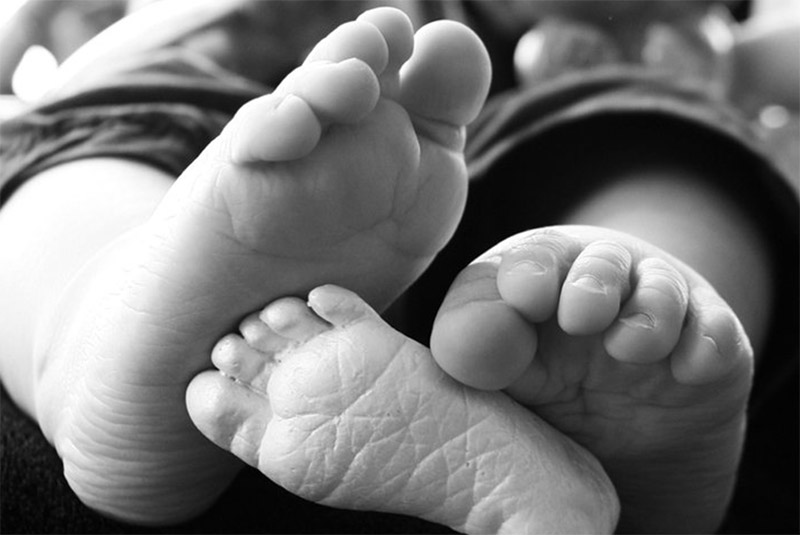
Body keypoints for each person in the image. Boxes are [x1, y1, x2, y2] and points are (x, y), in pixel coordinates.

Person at [0, 1, 796, 534]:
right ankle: (641, 325)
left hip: (539, 102)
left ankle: (93, 328)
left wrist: (725, 54)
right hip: (241, 67)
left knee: (90, 158)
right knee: (659, 163)